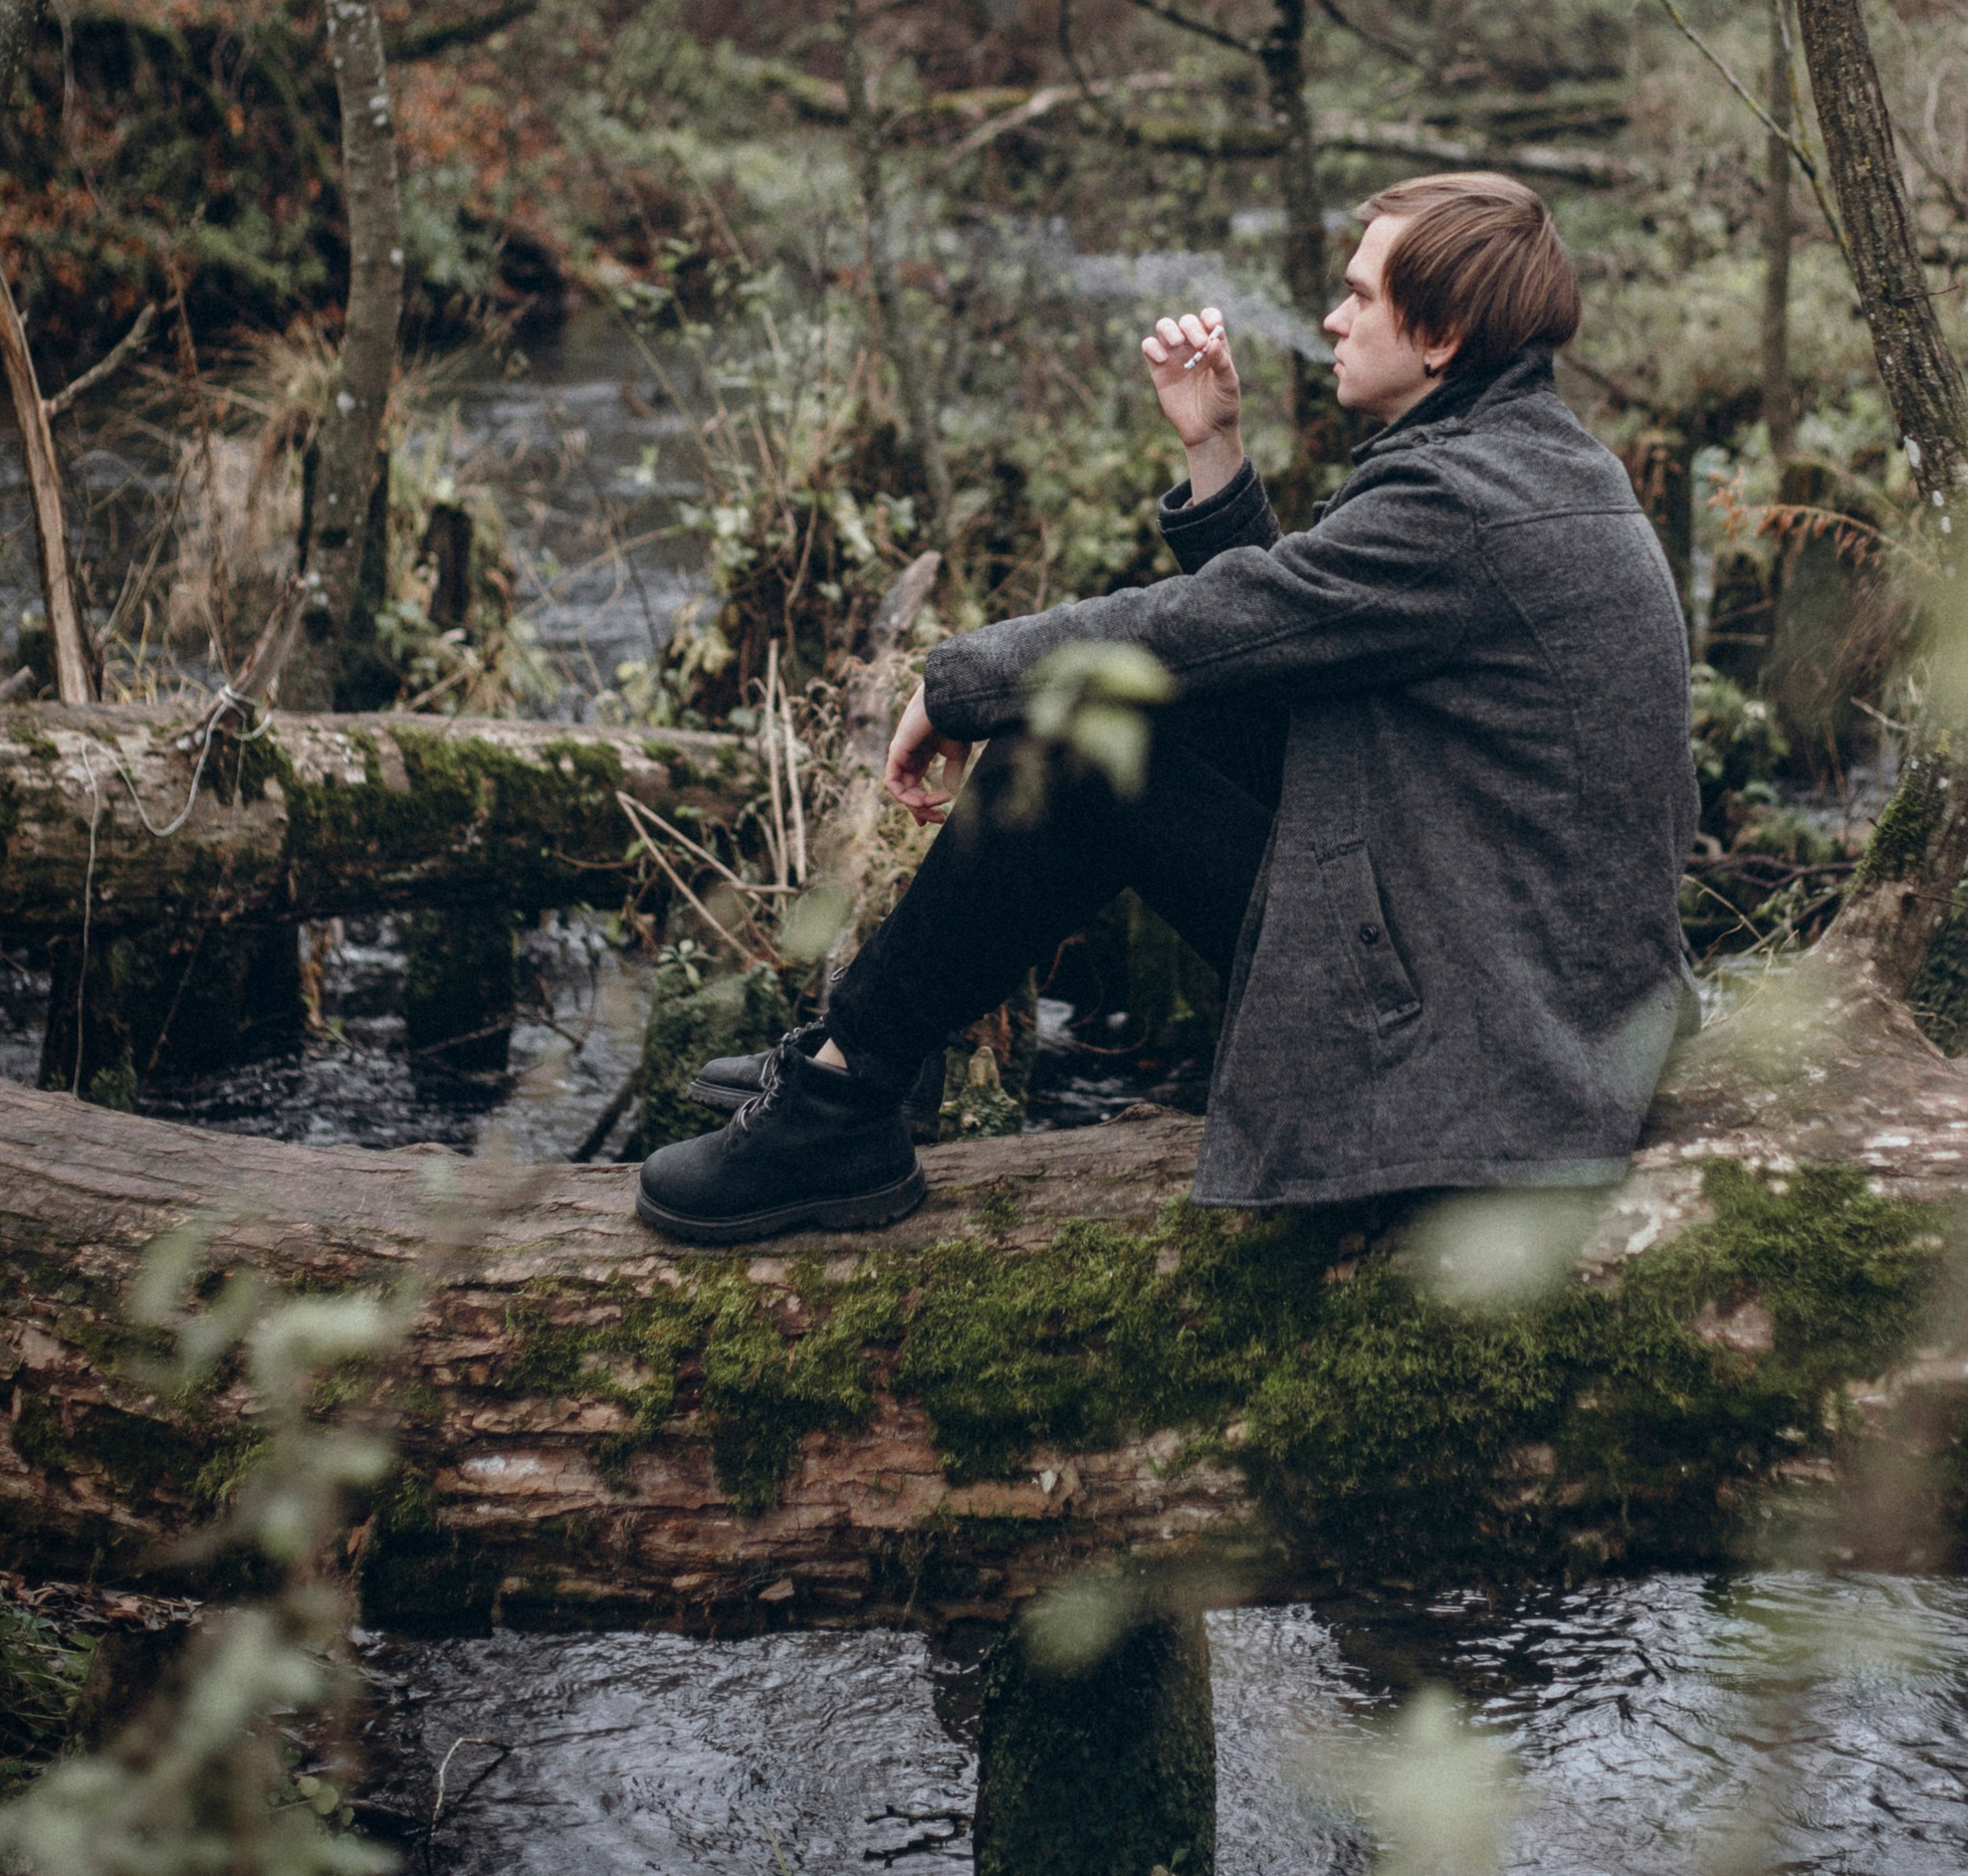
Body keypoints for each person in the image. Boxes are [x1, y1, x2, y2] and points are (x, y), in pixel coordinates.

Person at [634, 171, 1699, 1247]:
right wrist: (1212, 448)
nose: (1331, 318)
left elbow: (1212, 626)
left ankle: (841, 1094)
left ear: (1442, 334)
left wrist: (955, 681)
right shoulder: (1521, 466)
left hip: (1495, 1050)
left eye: (1359, 295)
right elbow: (1283, 655)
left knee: (1082, 740)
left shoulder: (1458, 503)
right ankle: (852, 1068)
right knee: (1129, 715)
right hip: (1533, 1007)